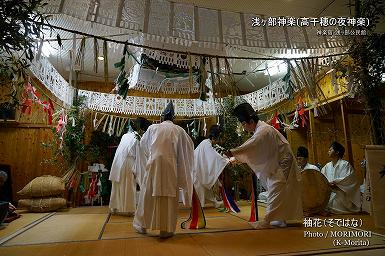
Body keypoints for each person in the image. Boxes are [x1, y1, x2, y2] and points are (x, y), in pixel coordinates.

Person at [225, 103, 303, 229]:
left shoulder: (264, 130)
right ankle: (278, 218)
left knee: (276, 188)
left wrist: (233, 152)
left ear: (251, 121)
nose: (244, 128)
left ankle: (268, 220)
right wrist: (236, 157)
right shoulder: (261, 130)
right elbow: (255, 149)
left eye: (244, 124)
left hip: (283, 161)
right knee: (277, 189)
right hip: (278, 161)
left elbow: (252, 145)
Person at [133, 101, 194, 238]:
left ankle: (141, 225)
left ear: (161, 118)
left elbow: (143, 146)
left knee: (147, 194)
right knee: (168, 196)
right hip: (170, 166)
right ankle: (166, 229)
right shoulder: (179, 130)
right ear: (174, 118)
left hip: (153, 164)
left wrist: (152, 156)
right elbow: (187, 149)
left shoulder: (153, 128)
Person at [108, 117, 151, 215]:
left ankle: (114, 208)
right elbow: (140, 156)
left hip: (118, 161)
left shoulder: (126, 135)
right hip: (128, 161)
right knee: (129, 185)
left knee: (117, 186)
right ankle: (129, 209)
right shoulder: (139, 138)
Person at [321, 141, 361, 214]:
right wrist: (327, 184)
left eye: (330, 150)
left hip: (341, 193)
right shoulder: (327, 166)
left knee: (332, 204)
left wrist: (335, 183)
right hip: (329, 192)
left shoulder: (345, 164)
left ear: (337, 152)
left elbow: (348, 180)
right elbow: (322, 179)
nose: (328, 152)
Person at [193, 125, 228, 208]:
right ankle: (200, 206)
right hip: (197, 171)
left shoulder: (206, 143)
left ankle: (214, 202)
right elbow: (214, 156)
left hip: (199, 169)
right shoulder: (206, 143)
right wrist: (226, 161)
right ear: (214, 138)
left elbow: (215, 155)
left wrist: (225, 159)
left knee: (206, 186)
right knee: (202, 188)